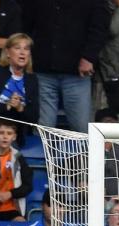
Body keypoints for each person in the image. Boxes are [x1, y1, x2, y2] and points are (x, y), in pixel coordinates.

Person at [22, 0, 110, 132]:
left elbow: (100, 28)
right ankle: (41, 153)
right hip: (42, 68)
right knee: (43, 127)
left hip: (77, 72)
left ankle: (82, 153)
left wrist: (88, 57)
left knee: (81, 128)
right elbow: (26, 24)